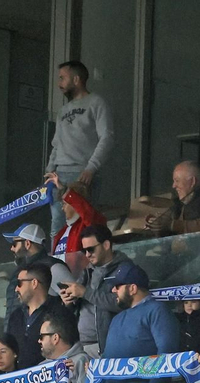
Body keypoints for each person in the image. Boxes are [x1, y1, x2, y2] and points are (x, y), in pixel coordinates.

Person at [45, 59, 113, 234]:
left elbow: (106, 137)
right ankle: (58, 261)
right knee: (57, 228)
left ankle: (81, 260)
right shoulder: (62, 110)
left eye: (62, 78)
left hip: (82, 175)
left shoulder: (96, 102)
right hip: (59, 173)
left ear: (76, 79)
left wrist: (91, 168)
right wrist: (49, 171)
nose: (59, 83)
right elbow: (56, 144)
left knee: (85, 225)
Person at [99, 261, 178, 362]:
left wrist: (157, 378)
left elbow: (166, 353)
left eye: (118, 286)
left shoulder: (157, 311)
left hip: (144, 377)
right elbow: (107, 356)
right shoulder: (116, 318)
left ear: (132, 289)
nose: (113, 290)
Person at [146, 161, 200, 235]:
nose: (173, 186)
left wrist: (171, 225)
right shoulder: (180, 203)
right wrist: (156, 225)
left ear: (192, 181)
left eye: (177, 181)